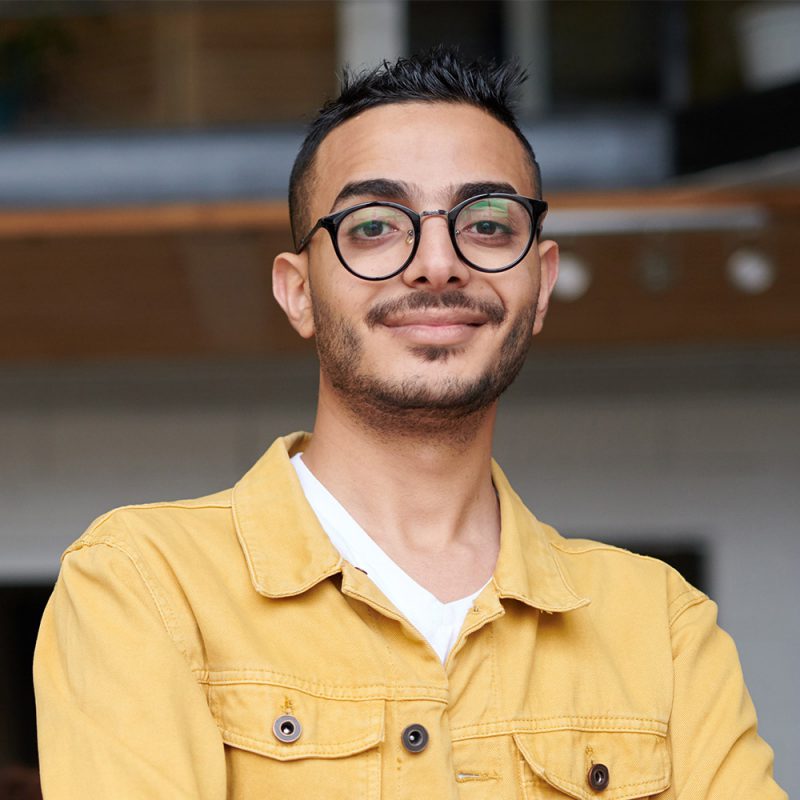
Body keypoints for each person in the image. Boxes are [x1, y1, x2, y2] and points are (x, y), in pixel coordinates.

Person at [34, 48, 785, 799]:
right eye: (374, 226)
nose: (437, 263)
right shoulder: (143, 583)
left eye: (486, 224)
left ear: (542, 283)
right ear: (298, 292)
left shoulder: (662, 625)